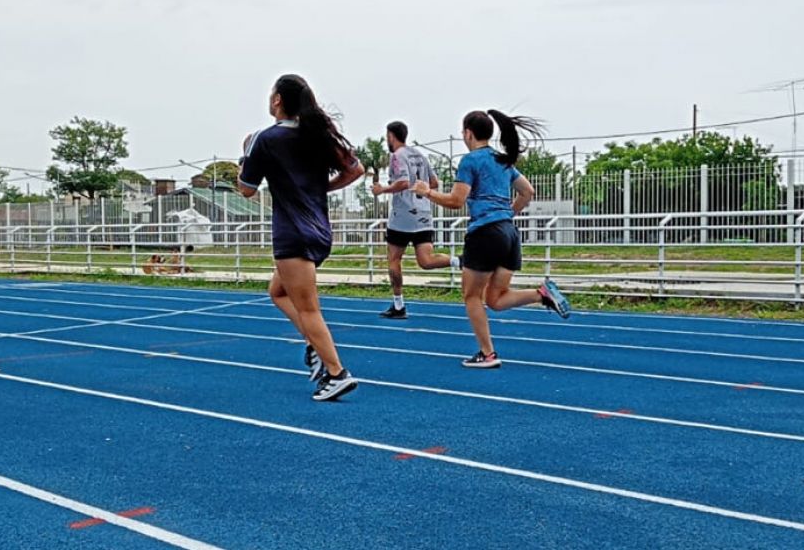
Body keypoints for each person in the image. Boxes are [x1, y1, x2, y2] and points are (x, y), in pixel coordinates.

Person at [238, 74, 365, 400]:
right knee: (277, 292)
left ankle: (337, 373)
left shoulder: (263, 139)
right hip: (320, 230)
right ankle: (313, 343)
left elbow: (246, 190)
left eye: (271, 94)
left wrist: (244, 158)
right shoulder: (316, 135)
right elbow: (356, 169)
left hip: (292, 233)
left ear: (278, 99)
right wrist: (322, 187)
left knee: (308, 309)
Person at [414, 109, 571, 369]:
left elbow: (456, 201)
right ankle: (541, 294)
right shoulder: (502, 160)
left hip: (485, 234)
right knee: (495, 299)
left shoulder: (470, 161)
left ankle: (487, 354)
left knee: (472, 296)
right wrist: (508, 212)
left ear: (468, 133)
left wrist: (427, 192)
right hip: (509, 234)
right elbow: (528, 191)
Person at [371, 121, 458, 319]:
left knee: (394, 259)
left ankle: (399, 305)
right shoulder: (420, 155)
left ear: (391, 136)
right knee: (426, 261)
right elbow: (434, 182)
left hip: (402, 216)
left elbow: (402, 182)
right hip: (423, 213)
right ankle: (458, 260)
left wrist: (383, 189)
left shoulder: (396, 156)